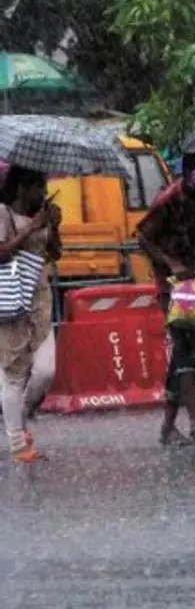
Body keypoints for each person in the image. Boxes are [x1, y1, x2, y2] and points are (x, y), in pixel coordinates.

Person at [137, 153, 195, 447]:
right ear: (188, 173)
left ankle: (168, 427)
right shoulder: (169, 200)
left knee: (188, 353)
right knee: (185, 348)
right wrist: (171, 263)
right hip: (172, 285)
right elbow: (143, 237)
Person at [0, 166, 59, 463]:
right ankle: (18, 446)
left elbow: (54, 254)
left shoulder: (44, 214)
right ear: (22, 188)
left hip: (40, 299)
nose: (44, 194)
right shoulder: (3, 213)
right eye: (39, 187)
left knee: (46, 370)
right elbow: (2, 253)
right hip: (11, 302)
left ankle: (22, 416)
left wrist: (54, 227)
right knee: (13, 374)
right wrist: (33, 227)